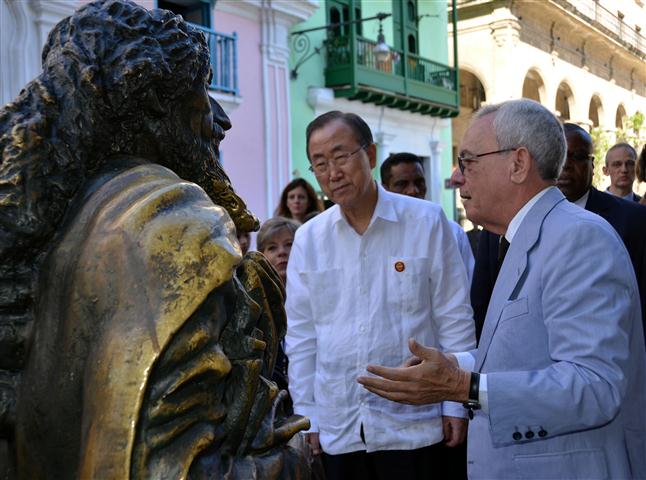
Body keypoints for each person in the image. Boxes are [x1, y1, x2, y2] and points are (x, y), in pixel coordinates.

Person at [0, 0, 309, 477]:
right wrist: (291, 458)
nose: (220, 121)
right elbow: (169, 466)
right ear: (150, 106)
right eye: (202, 93)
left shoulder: (73, 218)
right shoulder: (173, 226)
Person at [358, 99, 646, 479]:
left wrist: (464, 386)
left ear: (518, 163)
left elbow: (594, 387)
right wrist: (455, 365)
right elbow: (526, 354)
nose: (458, 178)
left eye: (468, 162)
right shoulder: (519, 237)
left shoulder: (579, 238)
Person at [285, 111, 475, 480]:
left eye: (341, 157)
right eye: (320, 164)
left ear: (369, 155)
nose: (332, 173)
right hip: (341, 423)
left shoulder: (427, 222)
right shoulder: (309, 239)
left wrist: (456, 403)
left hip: (414, 423)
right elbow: (303, 336)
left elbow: (453, 316)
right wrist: (309, 416)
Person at [472, 124, 646, 342]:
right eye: (559, 157)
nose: (566, 166)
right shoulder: (504, 221)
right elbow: (482, 304)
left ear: (592, 165)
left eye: (577, 156)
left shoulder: (634, 220)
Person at [381, 152, 474, 284]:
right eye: (402, 184)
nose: (413, 190)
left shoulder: (452, 232)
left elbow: (469, 288)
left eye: (419, 182)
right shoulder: (378, 233)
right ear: (385, 189)